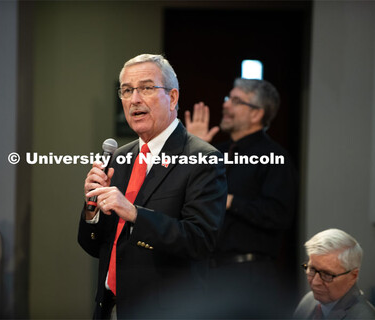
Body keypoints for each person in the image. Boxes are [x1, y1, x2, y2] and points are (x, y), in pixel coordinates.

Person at [77, 54, 228, 319]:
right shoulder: (118, 157)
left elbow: (200, 241)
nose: (134, 99)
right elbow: (94, 246)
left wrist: (134, 214)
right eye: (126, 91)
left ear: (172, 98)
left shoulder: (202, 158)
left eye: (146, 88)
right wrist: (93, 211)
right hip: (110, 308)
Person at [185, 78, 298, 317]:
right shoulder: (217, 152)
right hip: (208, 273)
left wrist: (230, 200)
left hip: (248, 274)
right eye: (228, 98)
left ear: (257, 114)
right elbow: (186, 196)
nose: (226, 105)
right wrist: (194, 150)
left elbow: (279, 215)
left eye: (236, 101)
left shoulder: (275, 157)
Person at [293, 228, 375, 319]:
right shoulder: (307, 302)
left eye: (327, 274)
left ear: (353, 276)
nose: (315, 282)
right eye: (312, 269)